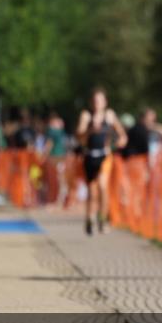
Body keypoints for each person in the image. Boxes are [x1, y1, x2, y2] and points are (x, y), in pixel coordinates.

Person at [76, 87, 127, 235]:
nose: (97, 103)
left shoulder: (109, 116)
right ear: (91, 102)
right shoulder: (86, 116)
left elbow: (122, 135)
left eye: (100, 100)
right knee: (92, 191)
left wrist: (118, 143)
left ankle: (102, 219)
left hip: (105, 156)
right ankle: (89, 218)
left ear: (105, 102)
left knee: (103, 187)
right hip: (89, 155)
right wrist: (90, 130)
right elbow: (79, 135)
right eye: (94, 100)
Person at [44, 111, 69, 206]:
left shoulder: (53, 132)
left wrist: (44, 154)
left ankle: (59, 199)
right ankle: (61, 199)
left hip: (56, 157)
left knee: (58, 179)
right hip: (61, 157)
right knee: (60, 178)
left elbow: (49, 144)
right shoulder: (62, 132)